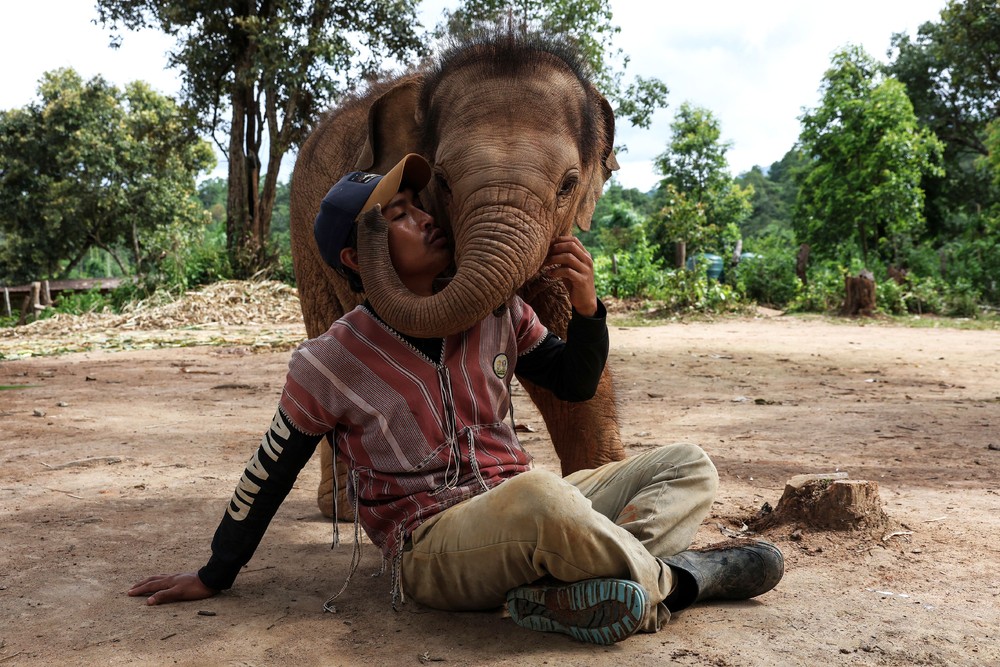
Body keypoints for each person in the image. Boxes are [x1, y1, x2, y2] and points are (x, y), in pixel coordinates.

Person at [128, 153, 784, 645]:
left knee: (688, 464)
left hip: (523, 510)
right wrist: (215, 572)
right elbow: (268, 471)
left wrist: (589, 310)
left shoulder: (493, 309)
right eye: (399, 217)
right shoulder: (328, 360)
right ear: (358, 258)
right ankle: (677, 581)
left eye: (417, 205)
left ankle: (579, 592)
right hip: (434, 548)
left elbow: (573, 381)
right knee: (543, 497)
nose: (423, 217)